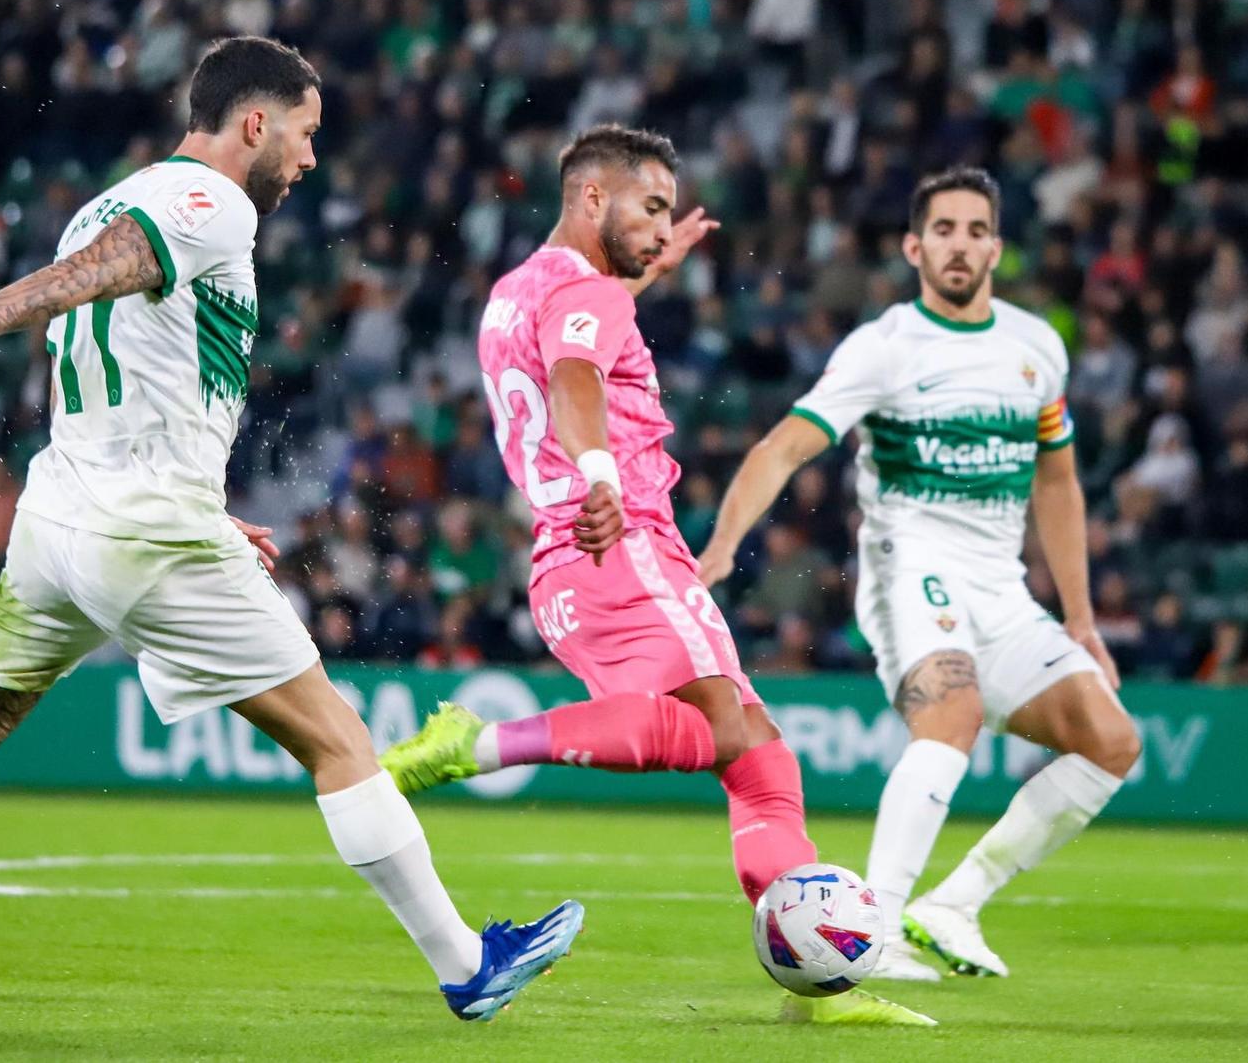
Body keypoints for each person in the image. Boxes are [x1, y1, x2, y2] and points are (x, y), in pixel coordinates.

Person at [0, 36, 579, 1022]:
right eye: (302, 135)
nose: (307, 159)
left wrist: (205, 501)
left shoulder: (110, 197)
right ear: (253, 123)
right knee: (340, 741)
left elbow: (132, 359)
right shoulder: (206, 201)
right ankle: (465, 963)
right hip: (141, 527)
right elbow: (103, 272)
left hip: (64, 516)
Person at [377, 123, 932, 1028]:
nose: (661, 222)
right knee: (727, 737)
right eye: (651, 205)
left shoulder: (519, 291)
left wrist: (645, 272)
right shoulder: (586, 292)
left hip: (571, 564)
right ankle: (477, 745)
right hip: (620, 539)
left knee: (758, 750)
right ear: (594, 197)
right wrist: (601, 475)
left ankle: (817, 978)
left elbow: (568, 339)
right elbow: (575, 378)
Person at [699, 166, 1141, 981]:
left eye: (977, 230)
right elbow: (784, 447)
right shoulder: (886, 347)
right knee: (953, 715)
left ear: (997, 248)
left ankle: (955, 902)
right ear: (914, 246)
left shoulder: (1037, 348)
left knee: (1113, 741)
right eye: (944, 230)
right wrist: (724, 545)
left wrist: (1080, 617)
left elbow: (1058, 480)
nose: (961, 244)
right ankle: (876, 931)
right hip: (909, 570)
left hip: (1001, 589)